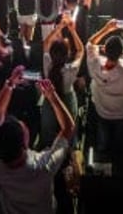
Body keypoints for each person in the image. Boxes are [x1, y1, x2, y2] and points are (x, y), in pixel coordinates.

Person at [0, 66, 75, 214]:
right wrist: (52, 96)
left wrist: (10, 84)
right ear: (24, 144)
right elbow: (69, 128)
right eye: (22, 127)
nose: (23, 124)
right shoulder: (44, 166)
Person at [86, 19, 123, 161]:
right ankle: (119, 158)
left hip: (102, 110)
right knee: (121, 138)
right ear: (122, 53)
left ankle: (103, 153)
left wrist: (106, 28)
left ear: (103, 49)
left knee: (103, 134)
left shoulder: (94, 64)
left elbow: (90, 44)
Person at [41, 13, 83, 148]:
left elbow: (46, 42)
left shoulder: (47, 63)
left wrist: (59, 27)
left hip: (49, 101)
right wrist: (72, 30)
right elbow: (81, 50)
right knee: (68, 129)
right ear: (67, 55)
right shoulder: (71, 69)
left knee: (48, 132)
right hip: (68, 100)